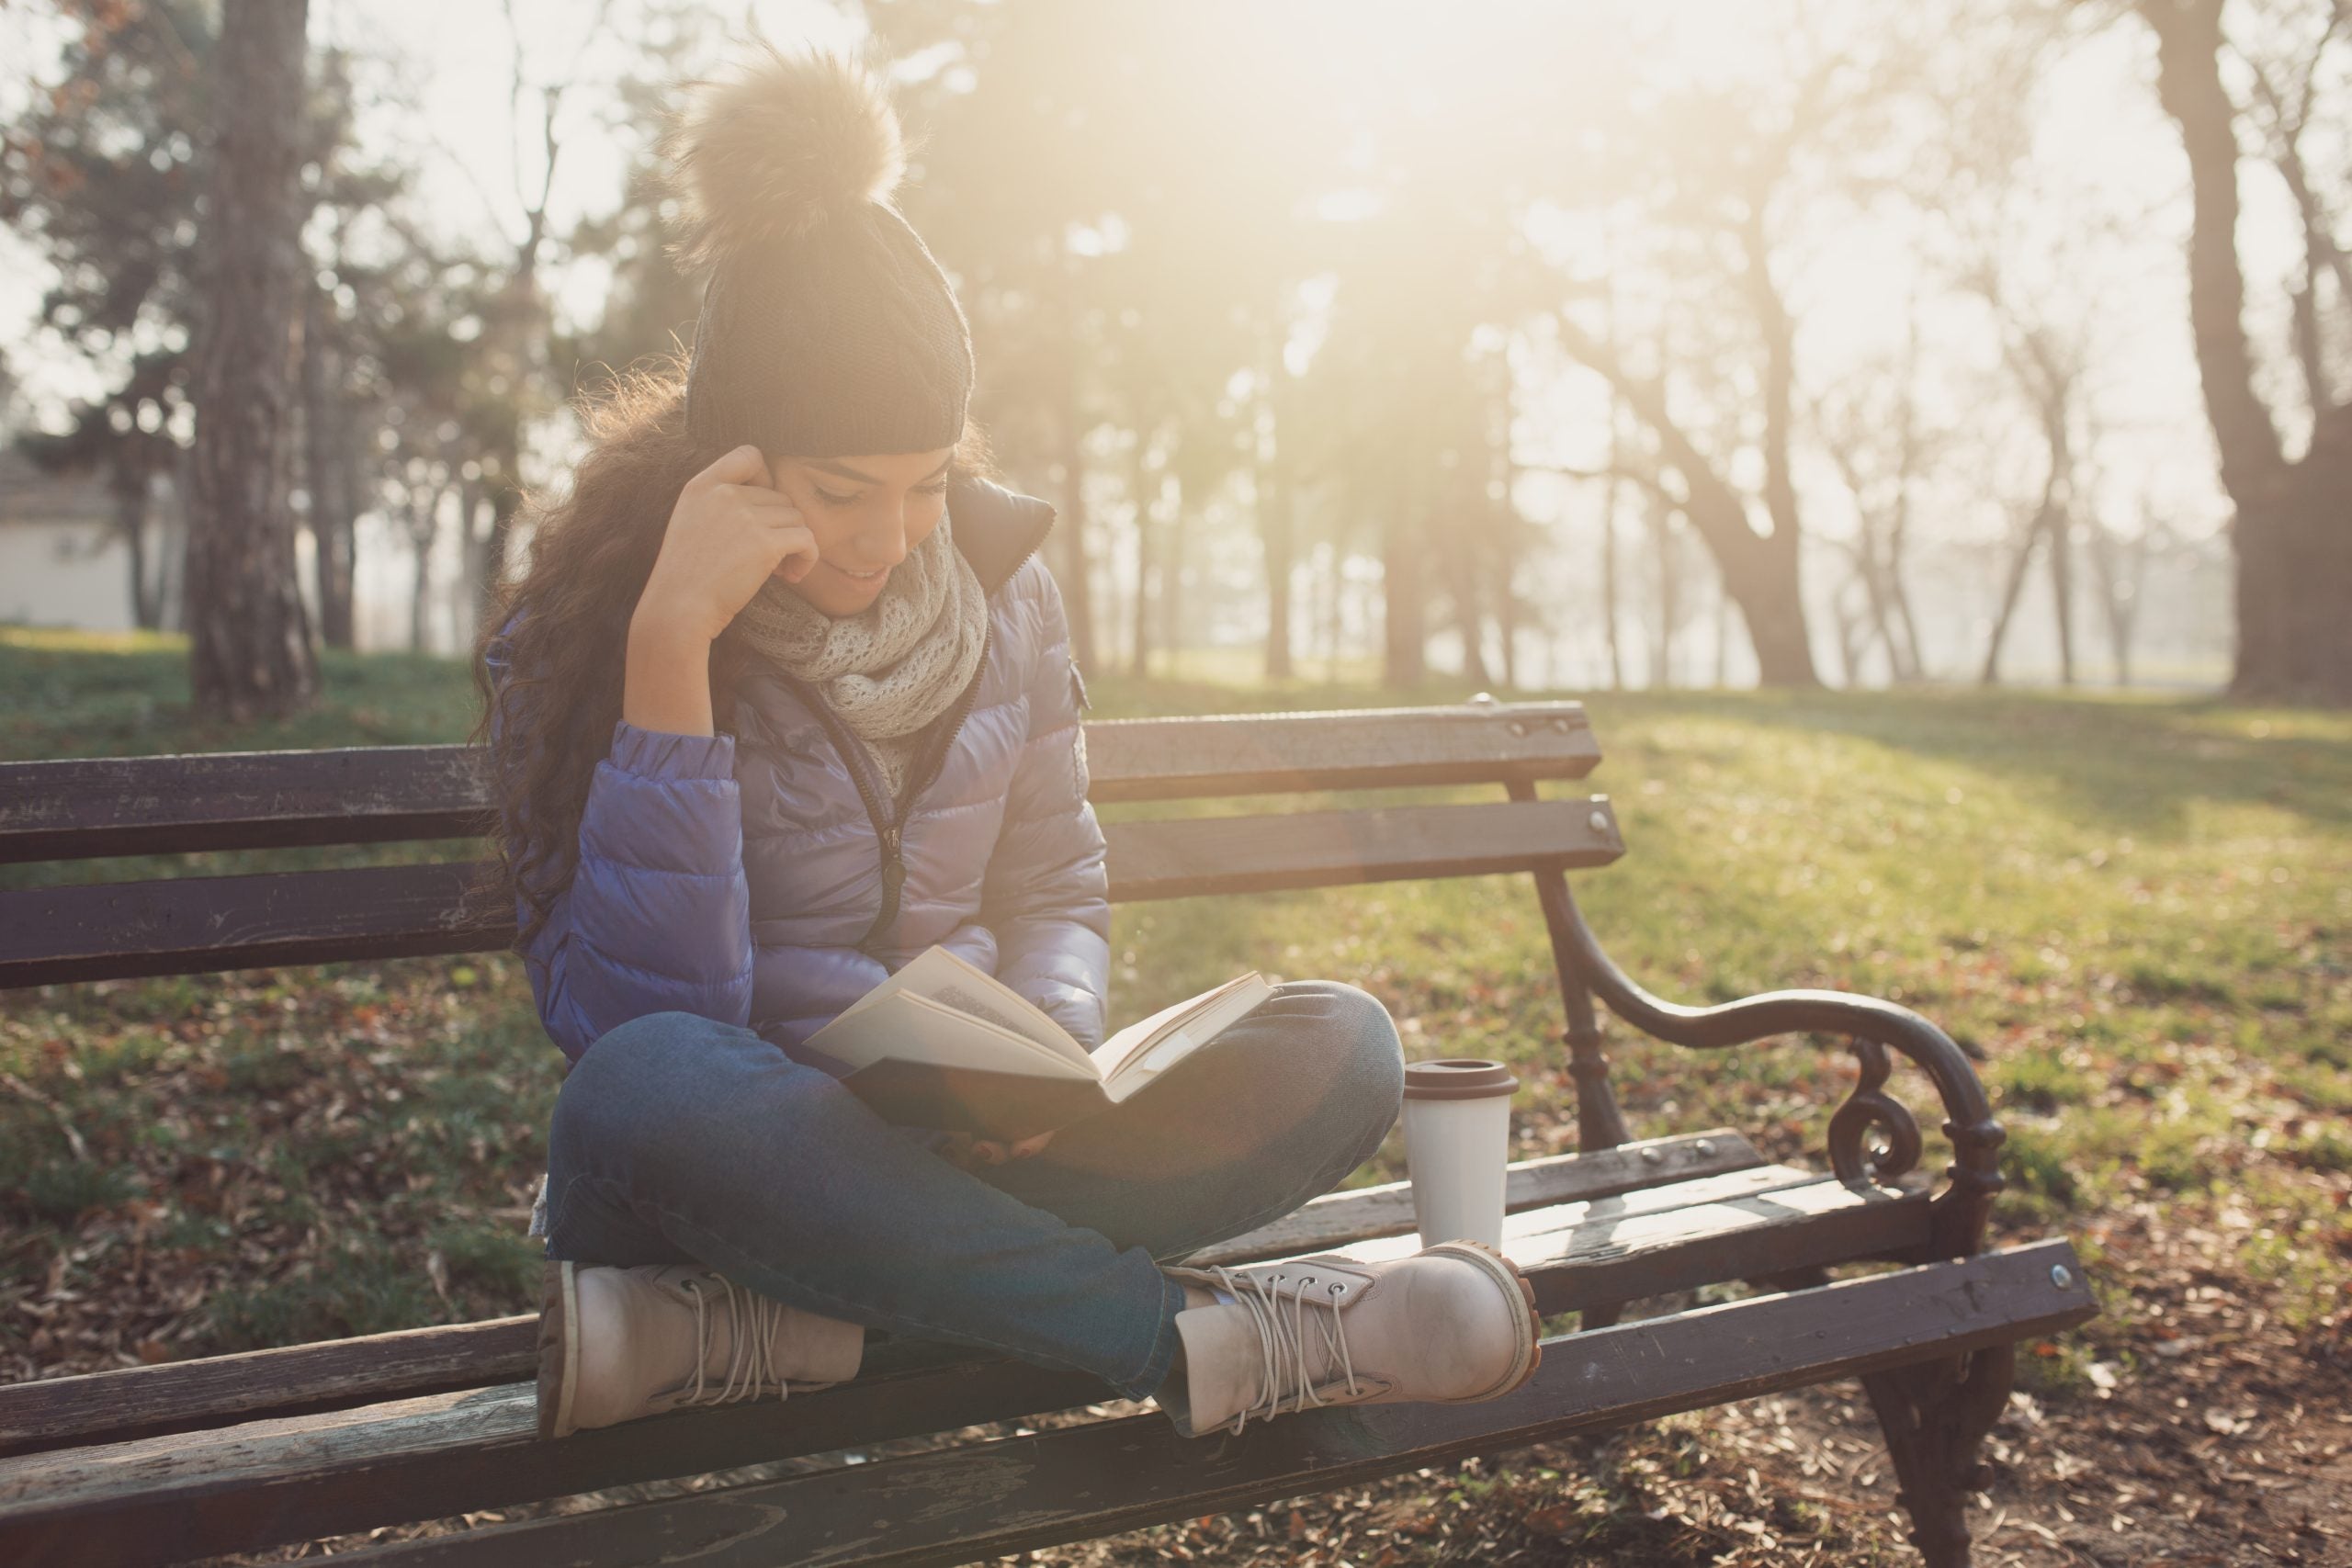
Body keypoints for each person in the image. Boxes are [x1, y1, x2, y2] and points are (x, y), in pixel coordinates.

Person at [476, 44, 1542, 1443]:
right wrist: (670, 651)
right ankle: (1209, 1346)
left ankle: (794, 1333)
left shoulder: (1002, 592)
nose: (886, 537)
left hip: (963, 1156)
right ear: (731, 461)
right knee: (648, 1081)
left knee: (1340, 1044)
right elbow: (636, 1018)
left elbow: (1052, 885)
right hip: (725, 1167)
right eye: (841, 490)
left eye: (923, 485)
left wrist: (1048, 1050)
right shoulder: (607, 623)